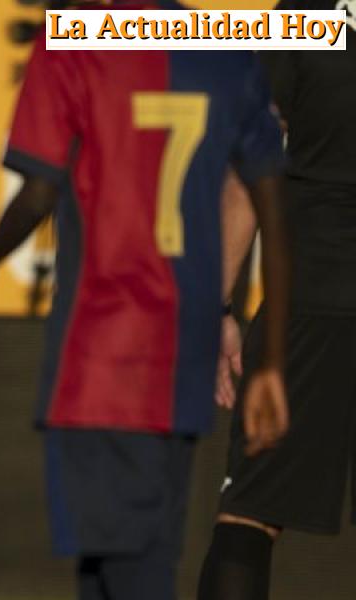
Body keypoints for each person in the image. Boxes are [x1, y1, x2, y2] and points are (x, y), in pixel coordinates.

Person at [0, 2, 291, 598]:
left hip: (102, 358)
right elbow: (271, 207)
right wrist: (272, 360)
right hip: (182, 362)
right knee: (119, 568)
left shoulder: (74, 37)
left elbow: (39, 191)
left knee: (129, 575)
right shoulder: (222, 43)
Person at [197, 2, 356, 598]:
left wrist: (218, 307)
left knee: (248, 515)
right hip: (313, 298)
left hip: (310, 301)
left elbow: (247, 171)